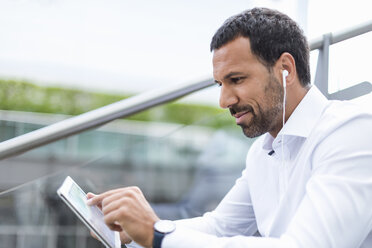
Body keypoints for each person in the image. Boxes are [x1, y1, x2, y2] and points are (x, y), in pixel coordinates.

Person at [87, 7, 372, 248]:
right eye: (220, 84)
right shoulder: (263, 153)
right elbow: (220, 227)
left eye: (236, 79)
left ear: (285, 68)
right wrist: (138, 229)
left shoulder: (353, 131)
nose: (224, 101)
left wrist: (159, 233)